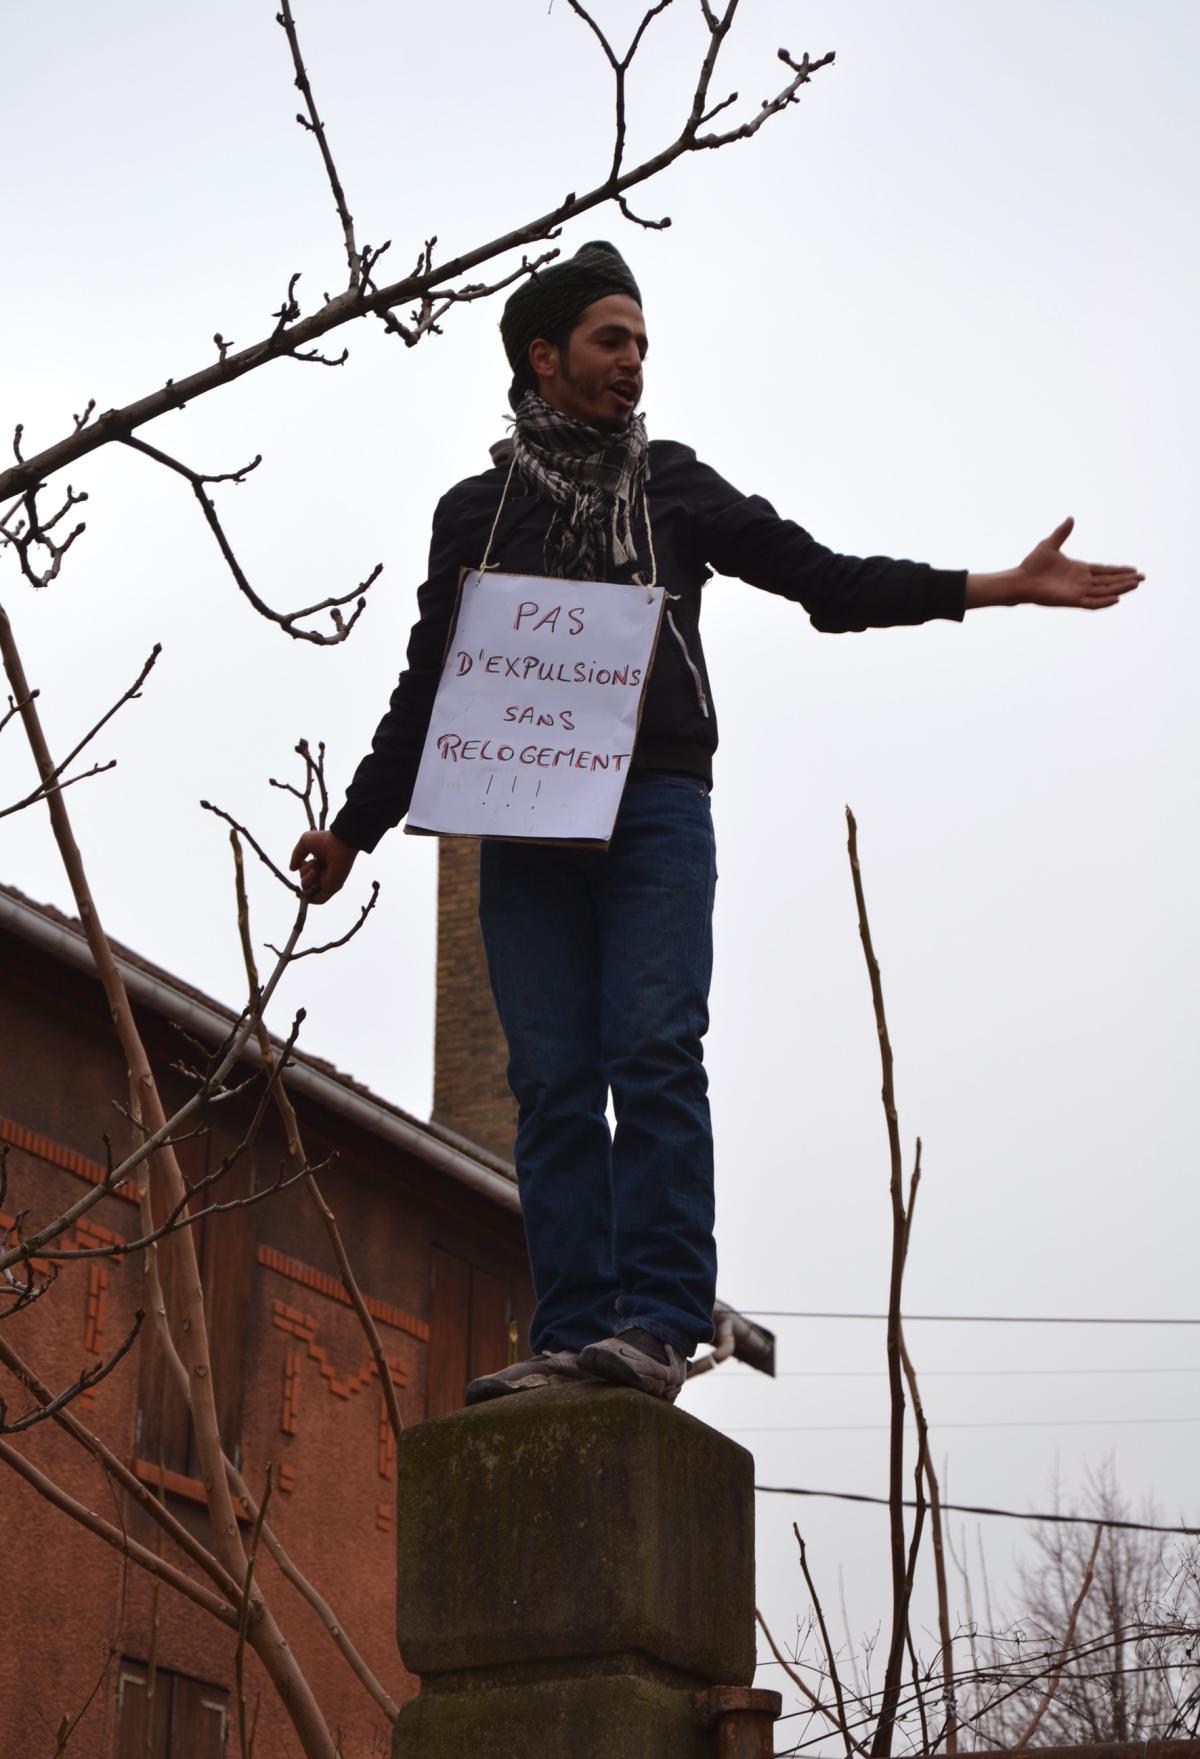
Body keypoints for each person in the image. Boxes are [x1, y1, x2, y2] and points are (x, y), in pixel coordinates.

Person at [290, 241, 1143, 1405]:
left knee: (650, 1049)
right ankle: (574, 1329)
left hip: (652, 811)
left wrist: (993, 585)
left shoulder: (674, 487)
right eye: (610, 339)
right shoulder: (475, 517)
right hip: (525, 822)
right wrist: (353, 828)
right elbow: (429, 686)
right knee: (548, 1080)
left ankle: (656, 1320)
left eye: (642, 342)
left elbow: (825, 583)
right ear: (544, 358)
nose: (633, 362)